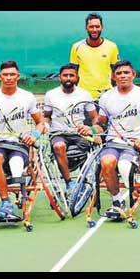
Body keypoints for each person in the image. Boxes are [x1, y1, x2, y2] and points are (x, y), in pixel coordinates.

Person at [92, 60, 140, 217]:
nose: (123, 76)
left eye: (126, 73)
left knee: (124, 165)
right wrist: (90, 129)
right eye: (119, 73)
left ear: (133, 75)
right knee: (107, 163)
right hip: (113, 142)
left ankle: (131, 196)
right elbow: (101, 125)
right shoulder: (106, 97)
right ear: (113, 77)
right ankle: (117, 201)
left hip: (134, 144)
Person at [0, 60, 46, 219]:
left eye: (12, 74)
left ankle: (19, 198)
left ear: (18, 76)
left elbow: (41, 123)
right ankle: (6, 202)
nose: (8, 77)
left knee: (15, 164)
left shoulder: (27, 97)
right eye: (5, 75)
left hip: (20, 145)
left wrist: (34, 135)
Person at [42, 64, 97, 194]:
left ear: (77, 78)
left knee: (86, 151)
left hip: (79, 134)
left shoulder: (84, 94)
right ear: (59, 78)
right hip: (58, 133)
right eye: (65, 75)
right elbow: (47, 117)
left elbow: (95, 118)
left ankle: (85, 182)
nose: (68, 78)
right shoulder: (51, 95)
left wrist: (91, 129)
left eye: (71, 75)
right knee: (58, 146)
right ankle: (69, 183)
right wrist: (45, 126)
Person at [69, 12, 120, 99]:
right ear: (86, 28)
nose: (94, 30)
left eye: (97, 26)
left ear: (102, 27)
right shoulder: (76, 47)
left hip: (106, 95)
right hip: (83, 95)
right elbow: (73, 73)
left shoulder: (112, 46)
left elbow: (116, 72)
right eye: (91, 27)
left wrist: (115, 93)